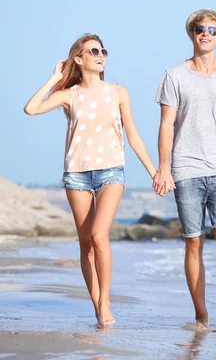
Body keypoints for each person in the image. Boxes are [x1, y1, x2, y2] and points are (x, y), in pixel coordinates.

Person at [24, 34, 158, 327]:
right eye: (94, 51)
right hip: (77, 175)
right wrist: (53, 78)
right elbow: (31, 108)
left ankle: (106, 302)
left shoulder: (118, 91)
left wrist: (154, 171)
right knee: (85, 243)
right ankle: (97, 305)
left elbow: (132, 134)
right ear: (78, 58)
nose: (101, 55)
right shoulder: (68, 95)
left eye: (103, 51)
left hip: (112, 171)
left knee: (99, 235)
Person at [153, 9, 216, 331]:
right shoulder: (175, 76)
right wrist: (163, 168)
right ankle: (201, 315)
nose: (206, 34)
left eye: (212, 30)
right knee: (193, 242)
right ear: (192, 33)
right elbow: (166, 125)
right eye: (200, 29)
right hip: (185, 169)